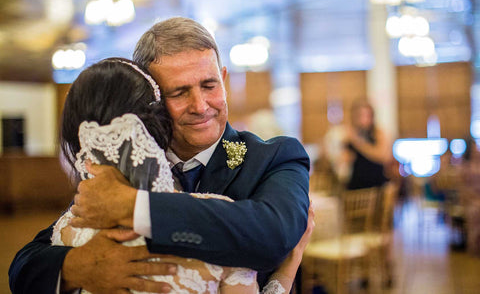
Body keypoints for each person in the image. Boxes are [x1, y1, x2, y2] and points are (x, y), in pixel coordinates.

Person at [9, 17, 310, 293]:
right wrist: (76, 267)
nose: (201, 105)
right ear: (151, 101)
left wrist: (134, 208)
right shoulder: (126, 163)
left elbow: (275, 234)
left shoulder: (277, 156)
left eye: (209, 85)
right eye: (178, 92)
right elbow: (26, 265)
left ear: (224, 79)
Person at [342, 98, 391, 190]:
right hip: (356, 186)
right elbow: (344, 162)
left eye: (366, 115)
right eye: (360, 116)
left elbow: (383, 156)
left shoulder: (378, 133)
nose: (363, 119)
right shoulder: (350, 135)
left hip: (376, 186)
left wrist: (358, 143)